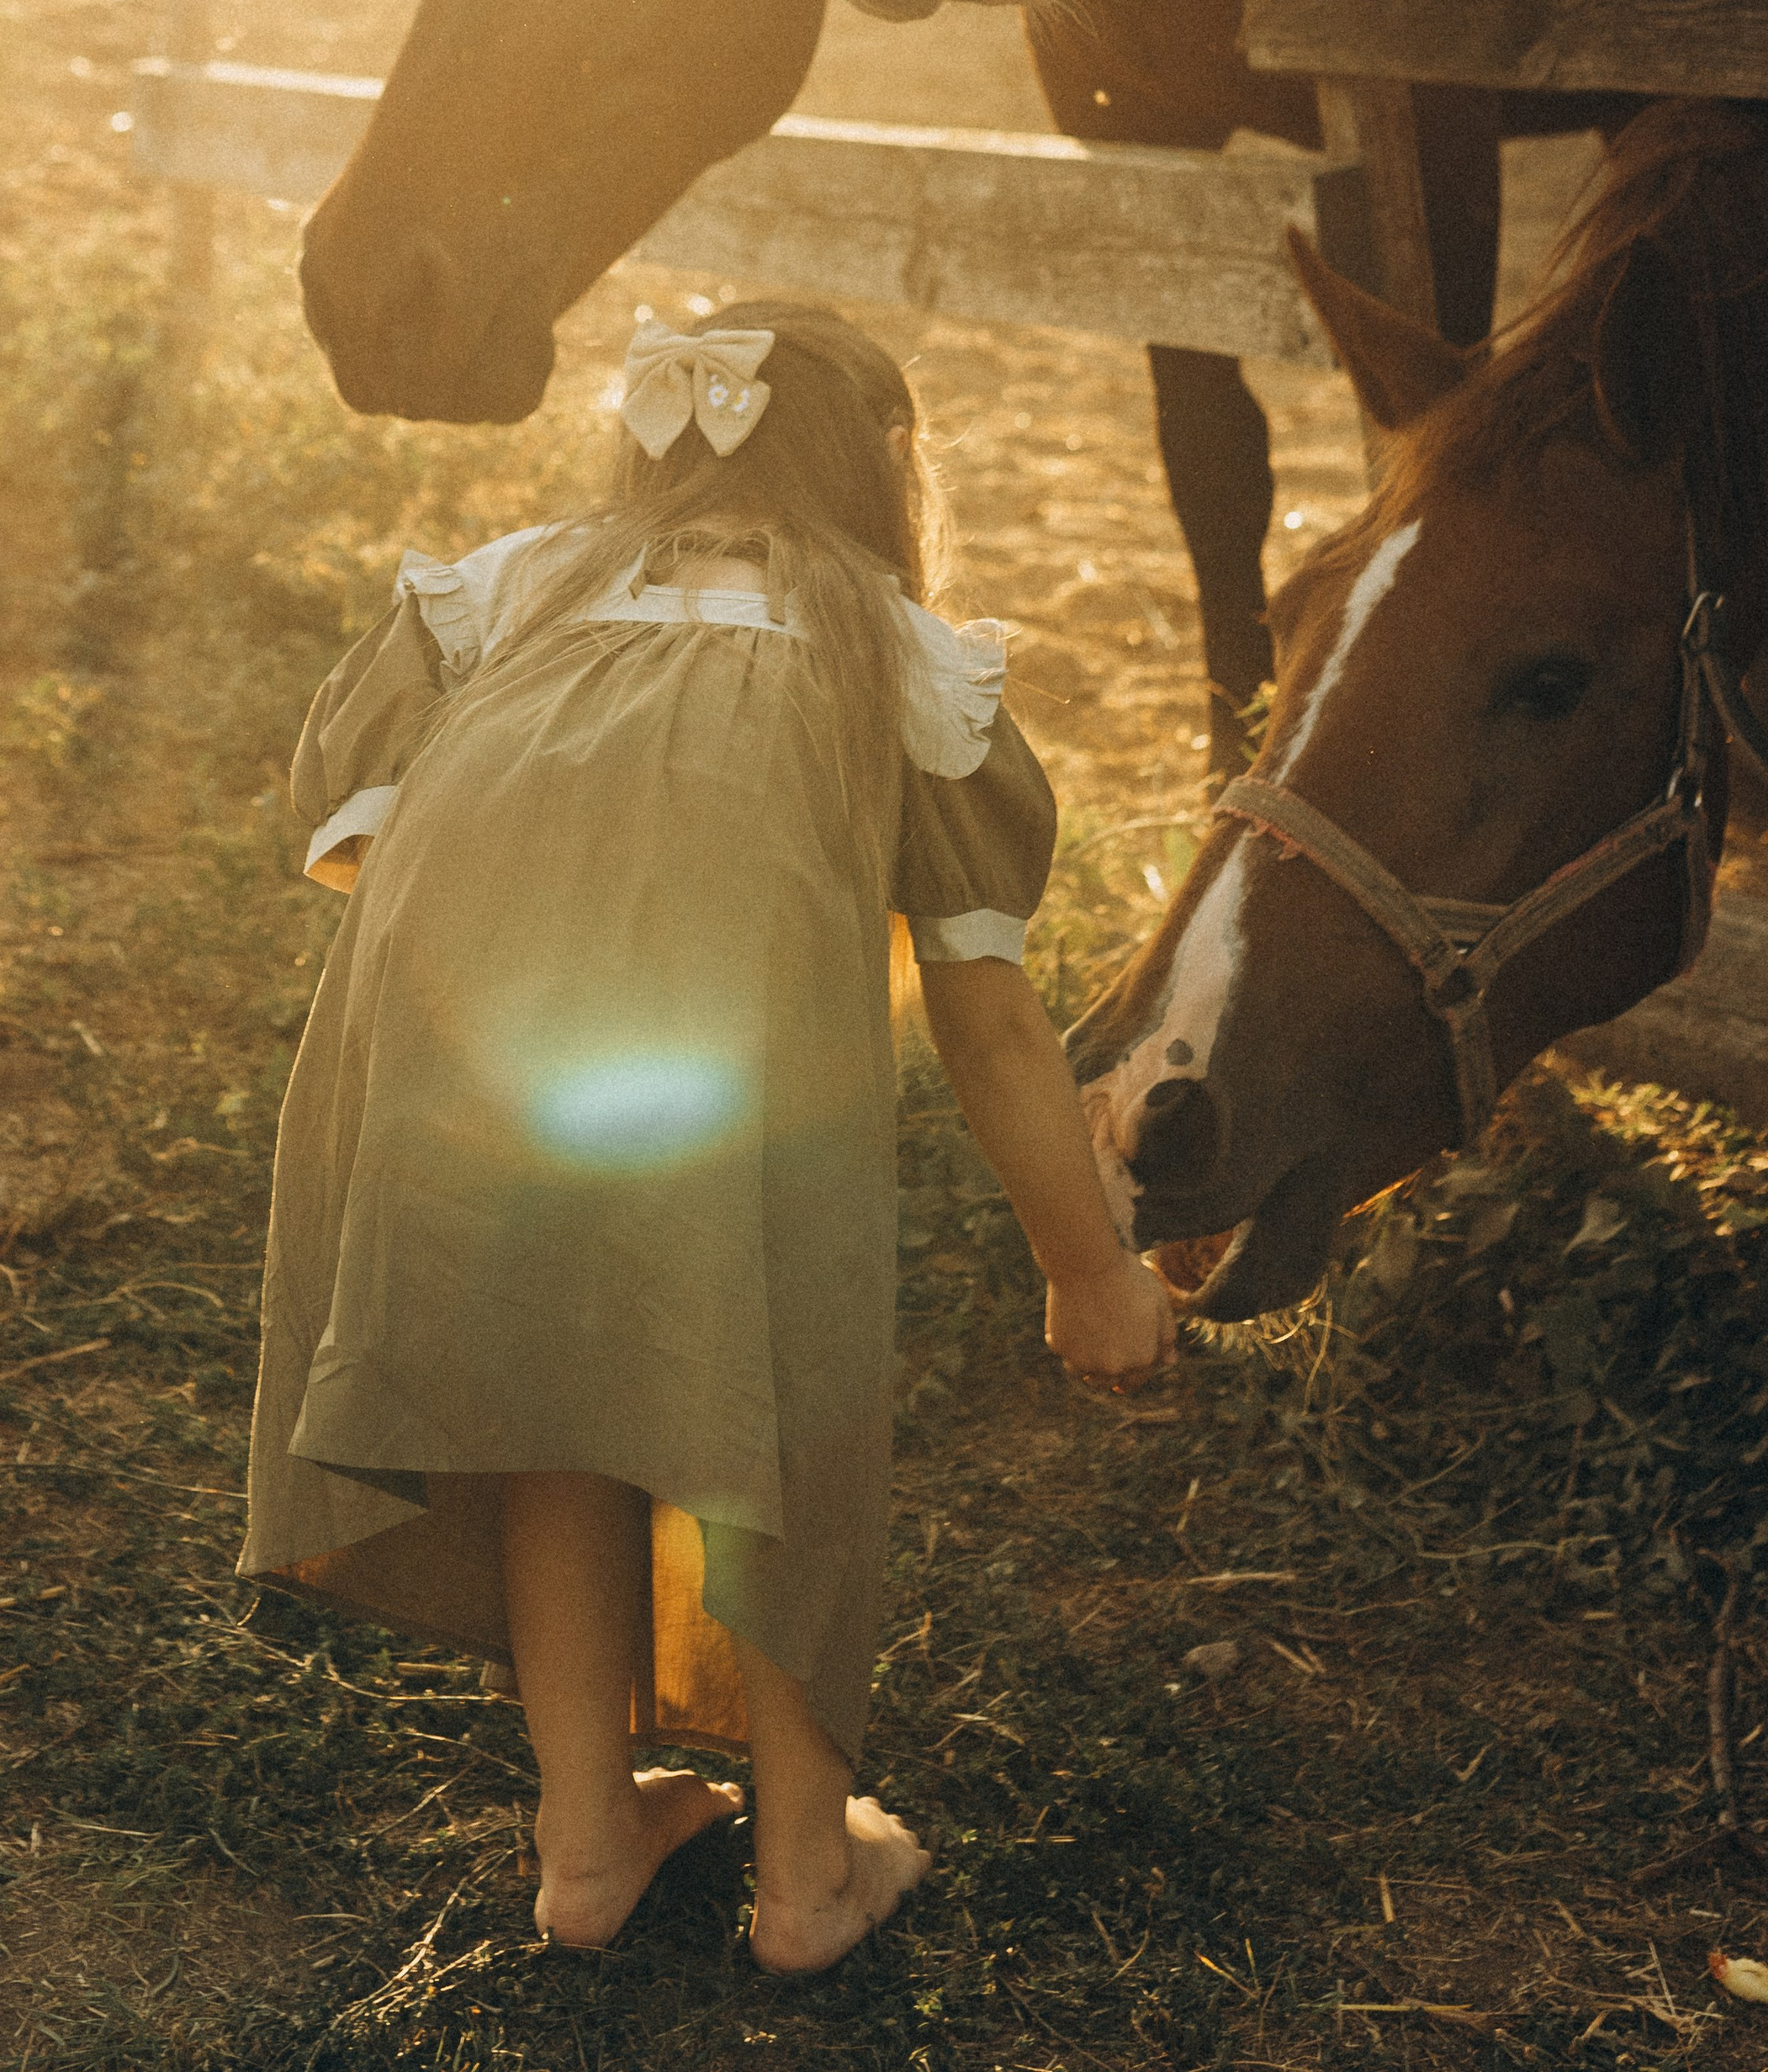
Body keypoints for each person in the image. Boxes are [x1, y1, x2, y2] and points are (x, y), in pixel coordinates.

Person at [240, 300, 1173, 1968]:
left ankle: (587, 1843)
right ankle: (808, 1876)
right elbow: (987, 1019)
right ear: (886, 479)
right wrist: (1084, 1263)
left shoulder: (509, 587)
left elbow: (360, 844)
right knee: (785, 1429)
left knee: (557, 1416)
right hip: (730, 1100)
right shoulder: (893, 654)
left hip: (468, 1074)